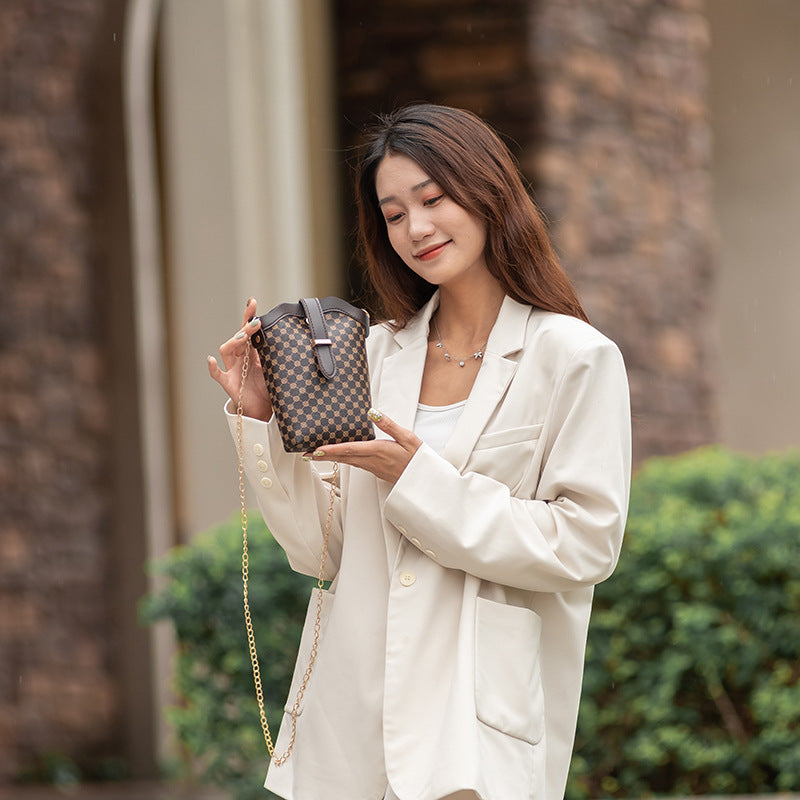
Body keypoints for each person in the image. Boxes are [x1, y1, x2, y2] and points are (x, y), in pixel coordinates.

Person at [208, 104, 631, 800]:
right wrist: (260, 422)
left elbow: (586, 544)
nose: (417, 228)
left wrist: (419, 482)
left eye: (433, 200)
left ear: (488, 192)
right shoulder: (371, 354)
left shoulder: (575, 358)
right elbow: (321, 552)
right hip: (350, 721)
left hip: (472, 727)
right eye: (394, 214)